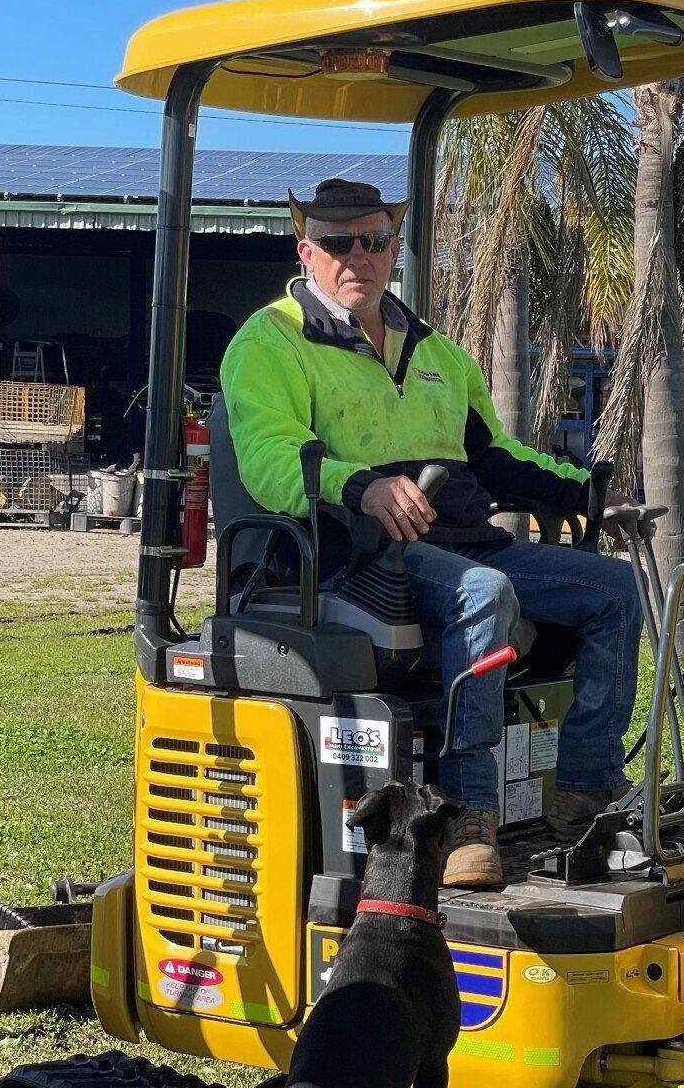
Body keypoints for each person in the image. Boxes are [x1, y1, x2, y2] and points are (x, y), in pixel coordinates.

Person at [220, 177, 640, 888]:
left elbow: (494, 458)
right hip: (356, 555)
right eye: (338, 242)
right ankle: (468, 813)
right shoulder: (270, 344)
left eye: (375, 240)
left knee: (612, 587)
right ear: (307, 252)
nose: (359, 255)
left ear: (393, 251)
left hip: (464, 540)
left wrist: (590, 491)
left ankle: (584, 793)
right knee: (486, 593)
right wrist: (361, 485)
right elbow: (270, 456)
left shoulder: (438, 354)